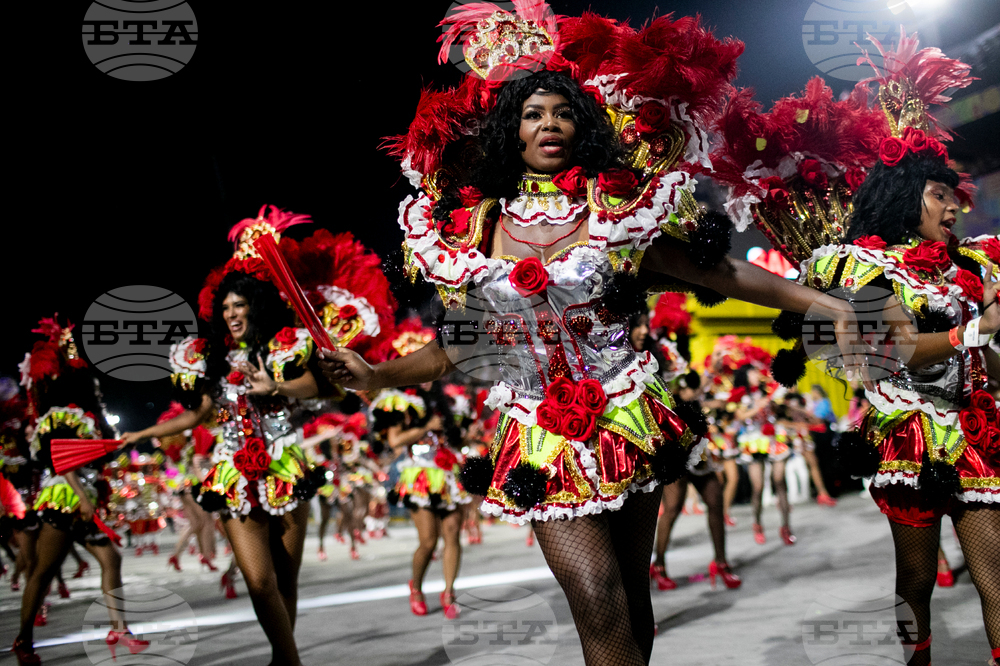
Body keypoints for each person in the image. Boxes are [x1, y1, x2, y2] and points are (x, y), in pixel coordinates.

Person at [321, 8, 863, 663]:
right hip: (537, 429)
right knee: (595, 591)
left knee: (633, 599)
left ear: (582, 126)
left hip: (627, 414)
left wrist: (821, 305)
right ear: (508, 132)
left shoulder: (615, 217)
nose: (549, 123)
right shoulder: (468, 236)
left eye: (562, 112)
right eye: (532, 114)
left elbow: (722, 273)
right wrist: (378, 376)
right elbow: (456, 349)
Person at [815, 130, 1000, 665]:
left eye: (952, 194)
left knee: (996, 575)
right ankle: (916, 659)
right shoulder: (869, 269)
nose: (953, 205)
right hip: (909, 436)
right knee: (916, 580)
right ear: (902, 198)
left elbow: (978, 361)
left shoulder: (967, 274)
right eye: (937, 194)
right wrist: (978, 330)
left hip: (974, 432)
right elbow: (900, 351)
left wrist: (985, 343)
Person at [122, 265, 322, 666]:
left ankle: (283, 659)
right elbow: (198, 415)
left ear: (255, 308)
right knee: (259, 581)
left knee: (286, 579)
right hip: (233, 471)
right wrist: (142, 435)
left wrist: (274, 386)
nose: (232, 314)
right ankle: (291, 661)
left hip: (286, 468)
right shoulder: (211, 360)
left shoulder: (283, 348)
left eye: (240, 305)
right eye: (226, 307)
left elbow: (314, 387)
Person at [13, 317, 148, 666]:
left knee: (110, 559)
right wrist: (85, 498)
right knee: (44, 570)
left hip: (83, 494)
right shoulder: (58, 417)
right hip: (64, 495)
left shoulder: (83, 417)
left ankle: (120, 629)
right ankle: (23, 639)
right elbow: (62, 461)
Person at [374, 384, 469, 618]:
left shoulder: (447, 402)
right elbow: (395, 441)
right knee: (428, 540)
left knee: (453, 532)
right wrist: (426, 426)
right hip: (420, 477)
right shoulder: (401, 402)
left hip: (448, 473)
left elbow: (455, 440)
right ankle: (416, 588)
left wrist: (462, 431)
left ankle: (449, 593)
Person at [732, 365, 796, 545]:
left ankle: (786, 526)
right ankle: (758, 524)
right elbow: (739, 416)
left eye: (755, 371)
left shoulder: (768, 389)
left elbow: (779, 409)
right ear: (744, 376)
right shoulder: (740, 395)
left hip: (773, 438)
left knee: (779, 481)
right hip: (753, 442)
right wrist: (758, 406)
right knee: (758, 487)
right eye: (751, 372)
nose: (755, 375)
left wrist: (775, 402)